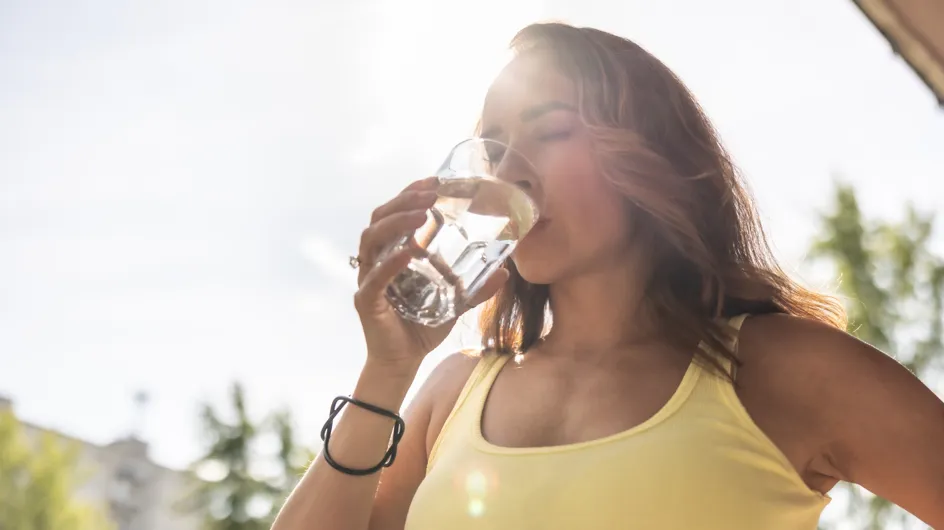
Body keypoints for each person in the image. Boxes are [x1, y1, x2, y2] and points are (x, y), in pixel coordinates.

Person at [271, 23, 944, 530]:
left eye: (551, 131)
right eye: (494, 148)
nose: (509, 174)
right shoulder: (452, 395)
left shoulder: (787, 371)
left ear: (656, 155)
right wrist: (386, 371)